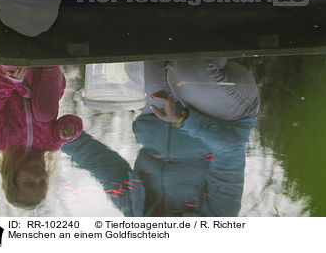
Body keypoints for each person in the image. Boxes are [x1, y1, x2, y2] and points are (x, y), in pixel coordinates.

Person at [62, 58, 259, 216]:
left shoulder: (137, 214)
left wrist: (69, 140)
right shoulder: (219, 216)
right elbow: (230, 148)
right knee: (187, 71)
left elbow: (105, 168)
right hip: (224, 114)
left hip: (157, 111)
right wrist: (182, 119)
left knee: (138, 58)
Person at [0, 65, 83, 208]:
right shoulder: (50, 144)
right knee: (45, 113)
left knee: (12, 65)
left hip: (15, 77)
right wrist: (69, 130)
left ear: (12, 177)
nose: (38, 177)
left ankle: (14, 52)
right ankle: (50, 63)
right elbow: (72, 122)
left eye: (29, 182)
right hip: (44, 82)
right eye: (42, 182)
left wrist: (10, 81)